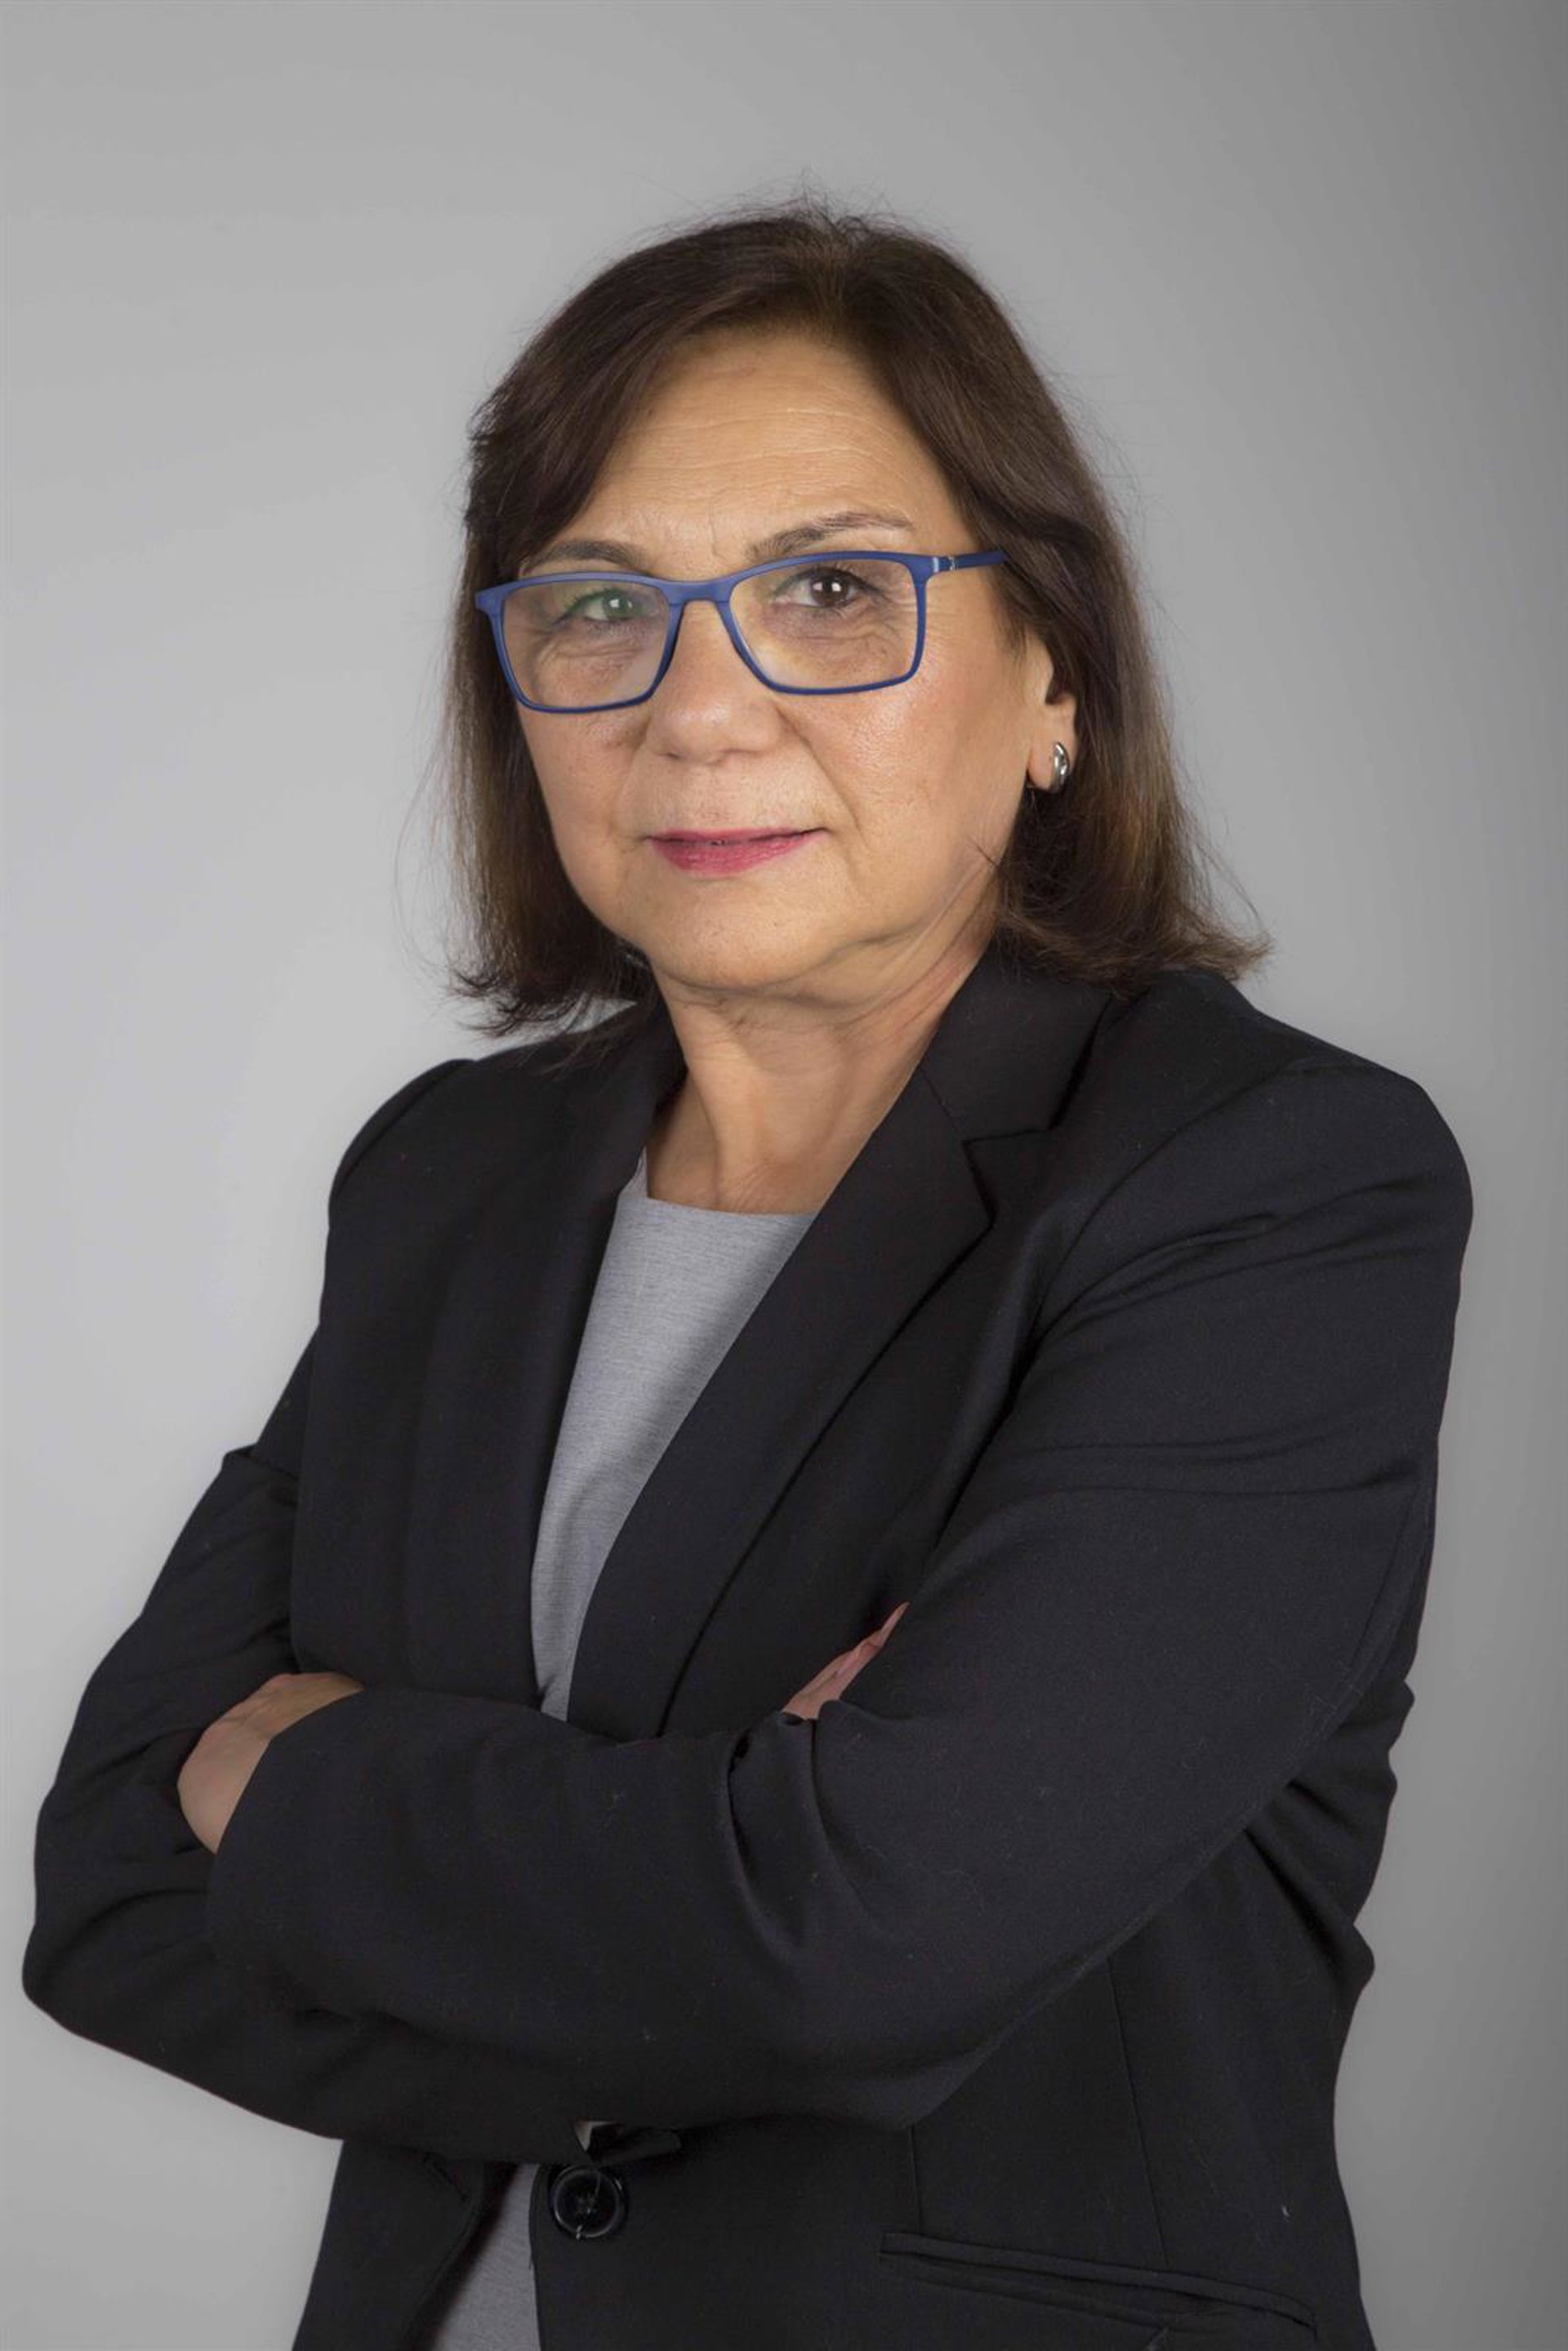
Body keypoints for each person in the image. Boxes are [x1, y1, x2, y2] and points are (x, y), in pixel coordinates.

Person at [23, 194, 1473, 2351]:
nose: (700, 712)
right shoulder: (451, 1176)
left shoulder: (1261, 1184)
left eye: (831, 591)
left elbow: (859, 1943)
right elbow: (111, 1887)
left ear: (1054, 676)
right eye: (604, 606)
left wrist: (303, 1785)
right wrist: (701, 1928)